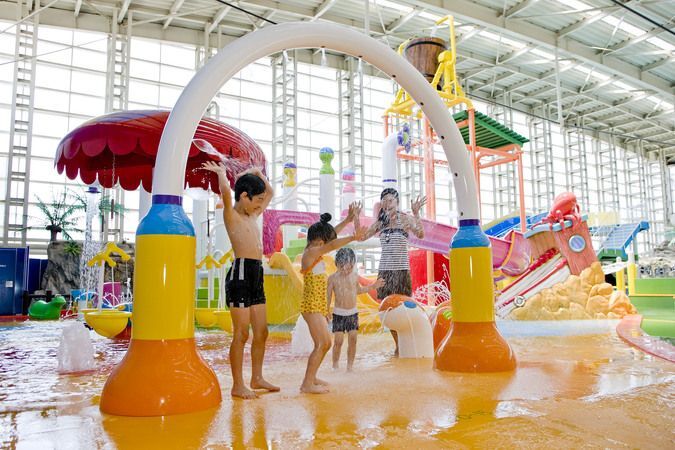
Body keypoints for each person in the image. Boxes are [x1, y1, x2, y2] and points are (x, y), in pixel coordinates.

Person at [201, 160, 279, 400]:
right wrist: (221, 173)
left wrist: (257, 173)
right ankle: (238, 385)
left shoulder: (252, 214)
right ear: (244, 196)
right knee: (242, 333)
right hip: (241, 274)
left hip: (256, 273)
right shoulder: (232, 215)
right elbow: (226, 193)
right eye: (257, 200)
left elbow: (270, 192)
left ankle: (257, 378)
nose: (261, 205)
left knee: (262, 332)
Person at [300, 209, 364, 394]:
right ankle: (307, 384)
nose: (327, 245)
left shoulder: (315, 250)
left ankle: (311, 377)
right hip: (311, 306)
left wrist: (347, 220)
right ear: (319, 241)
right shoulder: (311, 252)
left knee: (324, 344)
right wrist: (352, 237)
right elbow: (332, 243)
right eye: (325, 242)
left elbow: (331, 235)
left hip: (316, 306)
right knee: (323, 343)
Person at [360, 188, 426, 357]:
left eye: (390, 200)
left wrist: (416, 214)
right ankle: (398, 345)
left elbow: (420, 234)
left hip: (401, 270)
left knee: (403, 307)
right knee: (388, 309)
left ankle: (407, 342)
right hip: (386, 271)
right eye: (384, 201)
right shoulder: (380, 223)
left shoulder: (405, 219)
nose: (387, 204)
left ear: (397, 202)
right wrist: (354, 219)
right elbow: (362, 237)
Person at [326, 247, 383, 371]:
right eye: (342, 268)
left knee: (353, 339)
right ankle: (335, 365)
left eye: (349, 268)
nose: (346, 271)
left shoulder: (354, 277)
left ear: (353, 265)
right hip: (339, 314)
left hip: (352, 313)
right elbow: (328, 295)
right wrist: (326, 310)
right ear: (337, 264)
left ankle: (349, 367)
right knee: (338, 341)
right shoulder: (332, 278)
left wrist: (373, 286)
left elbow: (359, 290)